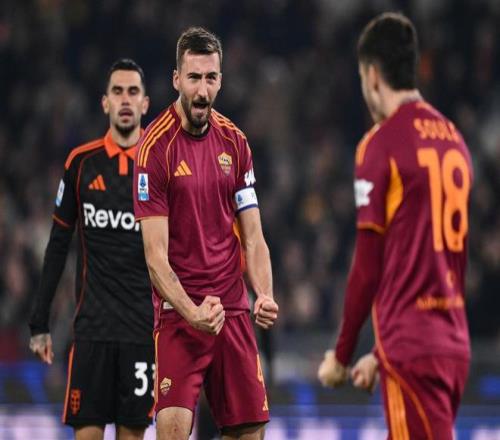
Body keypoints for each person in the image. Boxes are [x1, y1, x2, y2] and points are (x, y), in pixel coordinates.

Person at [318, 12, 472, 440]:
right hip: (451, 344)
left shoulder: (380, 144)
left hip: (412, 350)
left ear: (371, 74)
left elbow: (368, 268)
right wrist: (379, 355)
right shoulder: (454, 140)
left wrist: (342, 357)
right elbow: (434, 262)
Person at [133, 27, 279, 440]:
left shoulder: (235, 143)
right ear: (176, 79)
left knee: (251, 431)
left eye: (210, 78)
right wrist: (191, 311)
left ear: (220, 80)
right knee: (173, 430)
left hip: (231, 308)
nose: (202, 90)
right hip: (179, 314)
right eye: (193, 78)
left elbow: (254, 236)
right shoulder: (154, 149)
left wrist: (264, 293)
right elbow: (155, 257)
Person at [29, 59, 154, 440]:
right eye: (118, 91)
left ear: (145, 103)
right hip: (91, 332)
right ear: (105, 102)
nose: (125, 100)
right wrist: (39, 323)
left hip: (142, 332)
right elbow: (58, 244)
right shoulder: (81, 163)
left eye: (133, 92)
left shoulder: (160, 166)